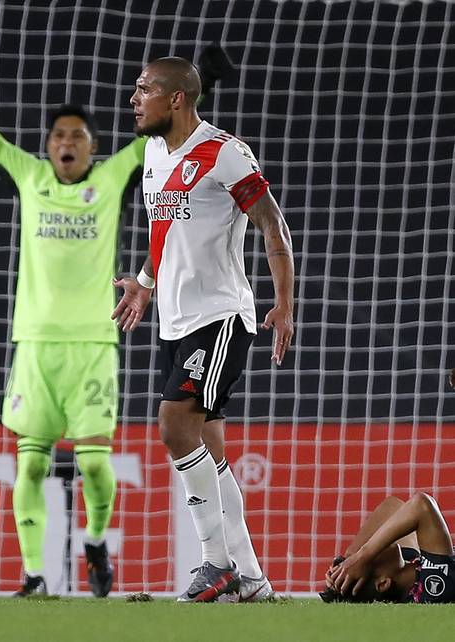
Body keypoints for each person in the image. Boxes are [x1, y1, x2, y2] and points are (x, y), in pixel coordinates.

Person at [0, 42, 147, 598]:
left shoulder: (113, 181)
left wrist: (201, 77)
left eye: (77, 136)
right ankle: (35, 575)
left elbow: (161, 130)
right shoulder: (28, 175)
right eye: (58, 136)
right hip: (34, 345)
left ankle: (95, 539)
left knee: (95, 469)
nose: (66, 143)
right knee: (30, 468)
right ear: (47, 146)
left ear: (94, 147)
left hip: (93, 343)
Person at [113, 56, 295, 602]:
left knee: (174, 426)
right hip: (175, 322)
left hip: (219, 319)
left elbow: (272, 223)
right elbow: (164, 229)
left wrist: (284, 303)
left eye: (143, 89)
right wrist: (144, 282)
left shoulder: (224, 153)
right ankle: (254, 581)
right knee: (210, 452)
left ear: (176, 99)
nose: (133, 99)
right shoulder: (152, 153)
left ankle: (215, 564)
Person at [323, 492, 455, 603]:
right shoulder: (433, 585)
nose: (376, 550)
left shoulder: (406, 569)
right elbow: (422, 504)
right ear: (383, 583)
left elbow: (391, 506)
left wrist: (349, 558)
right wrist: (363, 556)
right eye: (369, 562)